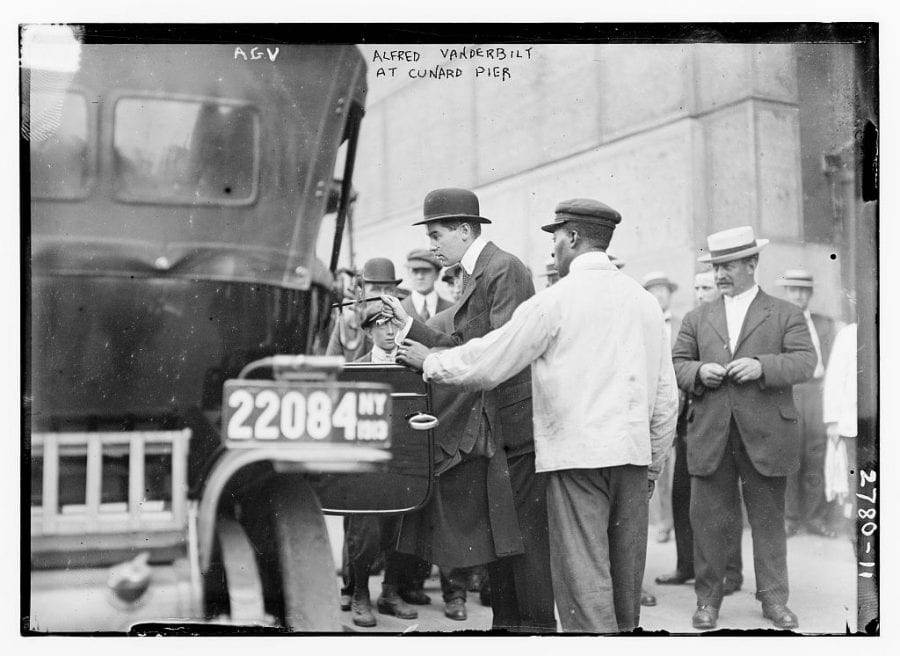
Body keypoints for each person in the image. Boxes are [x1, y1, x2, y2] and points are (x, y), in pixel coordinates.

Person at [389, 198, 678, 633]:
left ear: (574, 238)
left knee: (584, 585)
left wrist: (431, 363)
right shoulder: (644, 303)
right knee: (624, 583)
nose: (552, 251)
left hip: (575, 461)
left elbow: (493, 358)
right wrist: (653, 463)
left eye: (556, 239)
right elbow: (665, 397)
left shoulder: (555, 302)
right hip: (633, 459)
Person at [385, 187, 556, 633]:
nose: (432, 244)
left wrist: (430, 358)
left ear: (466, 229)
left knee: (524, 543)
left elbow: (502, 350)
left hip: (513, 431)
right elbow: (466, 346)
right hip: (494, 429)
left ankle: (534, 631)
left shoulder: (504, 270)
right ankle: (509, 629)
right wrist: (407, 327)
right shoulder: (475, 272)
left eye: (438, 234)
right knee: (503, 540)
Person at [672, 226, 816, 631]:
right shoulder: (697, 317)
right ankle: (708, 602)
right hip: (711, 435)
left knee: (769, 521)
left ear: (752, 264)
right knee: (708, 522)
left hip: (767, 435)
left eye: (729, 265)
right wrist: (700, 370)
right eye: (716, 266)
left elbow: (805, 362)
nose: (720, 274)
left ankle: (773, 600)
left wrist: (762, 366)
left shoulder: (785, 313)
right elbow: (678, 363)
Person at [656, 270, 744, 595]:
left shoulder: (732, 321)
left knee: (724, 498)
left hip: (725, 423)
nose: (699, 292)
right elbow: (679, 365)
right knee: (683, 494)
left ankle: (730, 573)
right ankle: (686, 565)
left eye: (705, 286)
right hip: (690, 421)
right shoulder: (693, 321)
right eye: (695, 287)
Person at [339, 307, 419, 627]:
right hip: (367, 468)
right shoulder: (355, 369)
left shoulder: (412, 368)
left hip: (403, 463)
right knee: (367, 531)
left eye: (394, 325)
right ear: (369, 331)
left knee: (403, 527)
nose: (388, 331)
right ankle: (360, 593)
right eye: (380, 325)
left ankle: (390, 591)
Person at [775, 269, 839, 538]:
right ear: (787, 293)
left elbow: (835, 361)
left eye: (804, 290)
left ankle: (815, 517)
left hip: (818, 393)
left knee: (817, 454)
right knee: (791, 456)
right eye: (794, 289)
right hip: (791, 393)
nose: (799, 295)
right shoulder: (778, 324)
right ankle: (790, 518)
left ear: (810, 294)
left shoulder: (824, 324)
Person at [642, 272, 680, 545]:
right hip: (652, 402)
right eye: (654, 290)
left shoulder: (681, 324)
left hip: (679, 401)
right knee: (658, 465)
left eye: (664, 290)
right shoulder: (641, 325)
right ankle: (662, 523)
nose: (659, 295)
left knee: (679, 467)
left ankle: (677, 521)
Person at [325, 257, 402, 362]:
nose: (383, 296)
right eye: (376, 289)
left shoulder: (405, 321)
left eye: (389, 289)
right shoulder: (348, 323)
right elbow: (331, 365)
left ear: (396, 293)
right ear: (362, 293)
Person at [822, 322, 857, 543]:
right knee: (855, 474)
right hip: (854, 420)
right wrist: (833, 420)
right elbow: (834, 378)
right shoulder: (848, 333)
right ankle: (859, 526)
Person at [402, 248, 454, 321]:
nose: (420, 276)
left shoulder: (452, 309)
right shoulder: (400, 308)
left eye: (426, 271)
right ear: (409, 273)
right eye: (415, 271)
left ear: (437, 274)